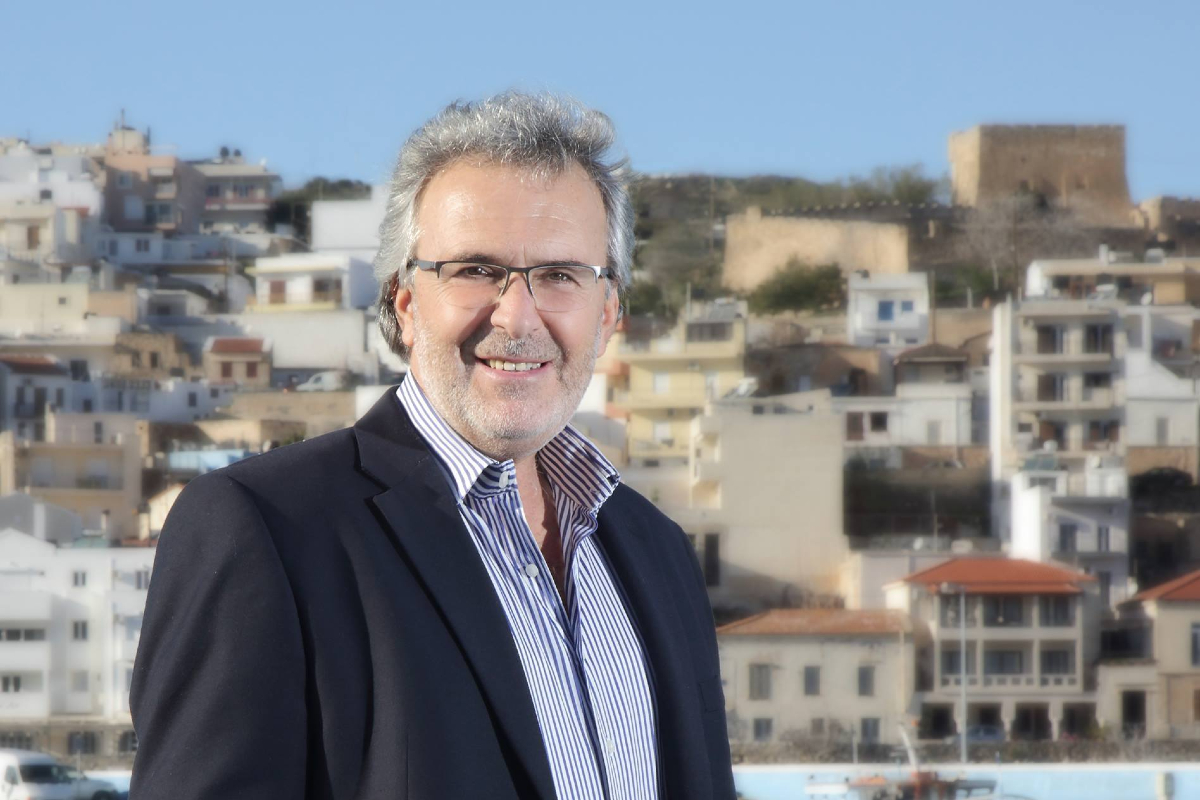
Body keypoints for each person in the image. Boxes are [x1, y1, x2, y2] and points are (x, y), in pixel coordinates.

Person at [129, 92, 735, 800]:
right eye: (476, 270)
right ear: (406, 303)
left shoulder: (657, 550)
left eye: (560, 275)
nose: (517, 317)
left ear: (607, 314)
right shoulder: (267, 529)